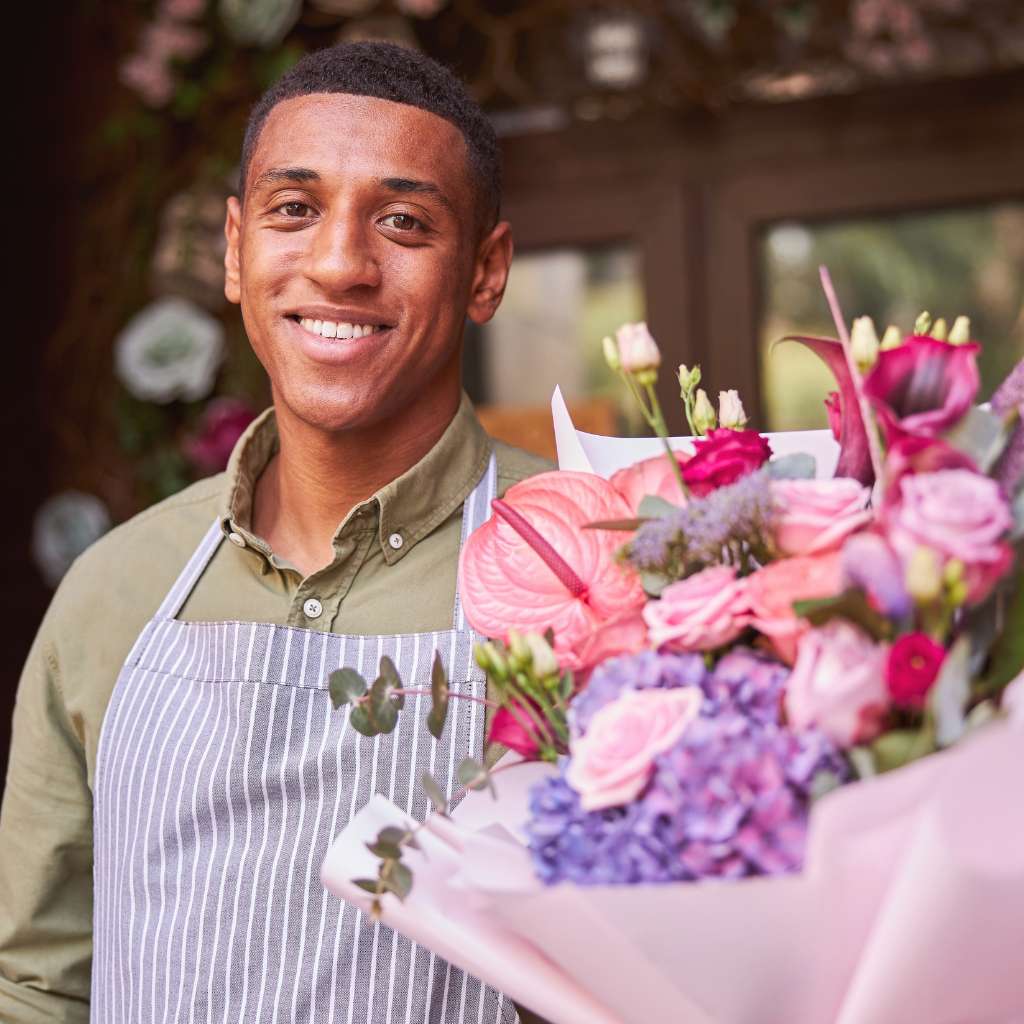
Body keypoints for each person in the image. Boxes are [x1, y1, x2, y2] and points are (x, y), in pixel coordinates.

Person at [0, 42, 551, 1023]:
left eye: (404, 221)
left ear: (486, 271)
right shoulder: (113, 588)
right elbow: (40, 984)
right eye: (294, 210)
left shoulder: (591, 555)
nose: (339, 264)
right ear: (232, 249)